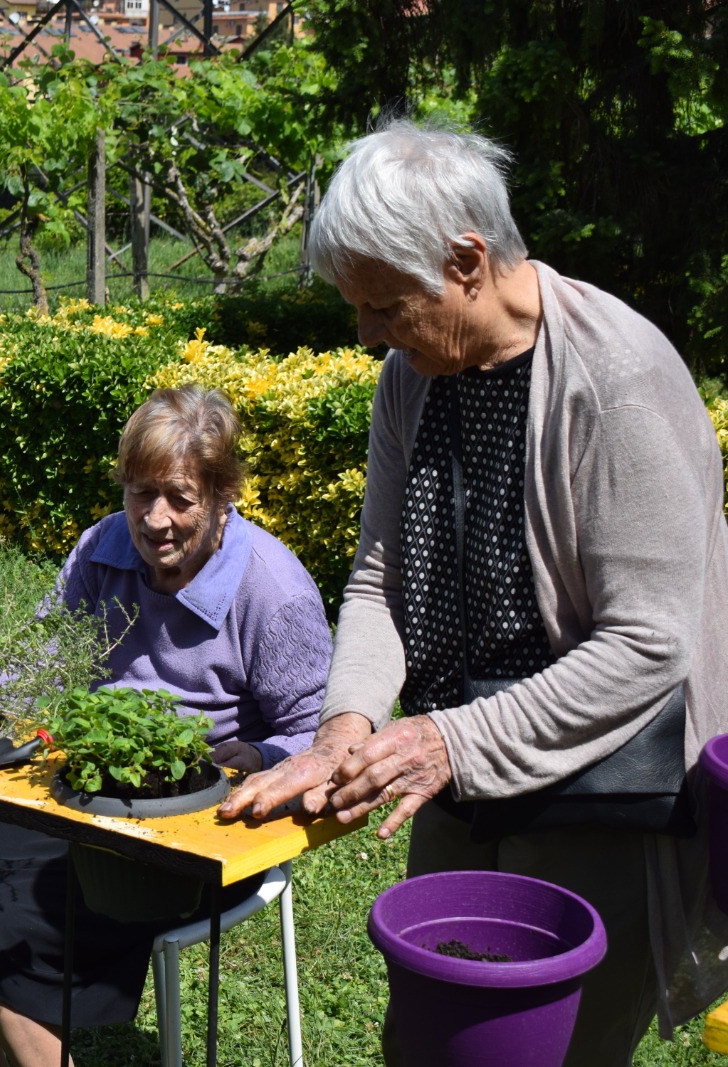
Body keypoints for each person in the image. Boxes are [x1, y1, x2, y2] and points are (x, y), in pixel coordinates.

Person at [219, 119, 728, 1065]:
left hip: (595, 789)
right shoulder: (411, 379)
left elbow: (651, 645)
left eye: (383, 303)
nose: (367, 331)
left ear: (466, 261)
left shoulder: (619, 379)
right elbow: (379, 577)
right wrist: (348, 726)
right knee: (431, 1040)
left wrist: (446, 738)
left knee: (548, 1049)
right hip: (454, 771)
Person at [0, 386, 331, 1067]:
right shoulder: (103, 549)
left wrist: (262, 752)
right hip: (84, 798)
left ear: (223, 492)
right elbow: (37, 665)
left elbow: (317, 735)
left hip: (200, 832)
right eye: (140, 493)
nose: (155, 518)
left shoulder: (272, 589)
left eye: (179, 495)